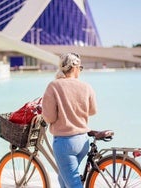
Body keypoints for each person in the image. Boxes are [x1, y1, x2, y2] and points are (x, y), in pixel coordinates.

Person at [42, 52, 97, 188]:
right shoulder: (86, 87)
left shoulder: (54, 86)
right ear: (75, 67)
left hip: (65, 144)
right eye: (80, 68)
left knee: (73, 183)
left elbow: (50, 117)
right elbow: (93, 111)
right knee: (63, 178)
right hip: (83, 141)